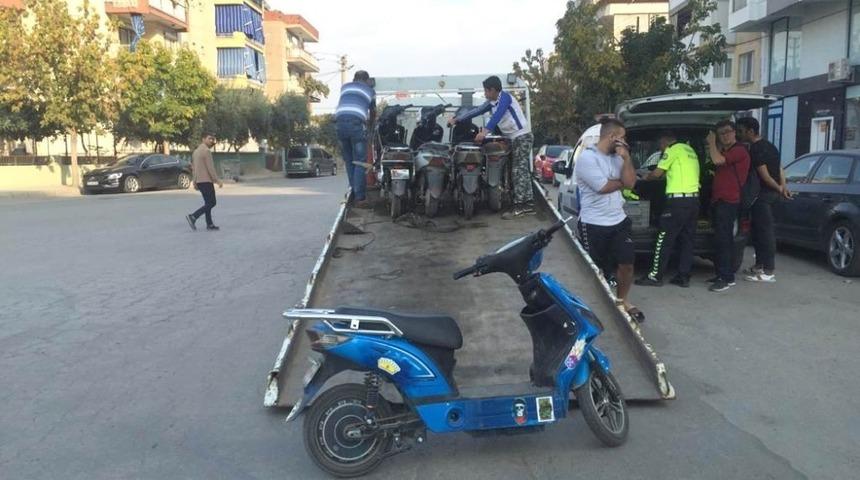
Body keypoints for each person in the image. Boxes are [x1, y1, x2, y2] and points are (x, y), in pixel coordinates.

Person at [574, 119, 643, 322]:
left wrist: (627, 158)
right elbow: (603, 187)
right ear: (613, 137)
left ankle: (622, 301)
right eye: (622, 138)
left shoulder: (619, 157)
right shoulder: (588, 158)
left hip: (619, 221)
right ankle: (594, 307)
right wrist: (623, 181)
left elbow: (631, 183)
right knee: (595, 270)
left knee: (627, 264)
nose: (625, 142)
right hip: (593, 223)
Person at [448, 75, 534, 218]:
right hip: (512, 138)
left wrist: (484, 132)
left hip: (521, 137)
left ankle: (521, 206)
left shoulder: (505, 98)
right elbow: (476, 111)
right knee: (518, 170)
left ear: (493, 90)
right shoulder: (492, 102)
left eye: (486, 91)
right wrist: (457, 119)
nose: (485, 94)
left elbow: (497, 116)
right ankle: (527, 204)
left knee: (518, 171)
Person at [635, 130, 701, 288]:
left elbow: (657, 174)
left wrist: (644, 177)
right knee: (687, 239)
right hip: (693, 201)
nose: (660, 148)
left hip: (677, 202)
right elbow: (675, 173)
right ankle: (683, 276)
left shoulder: (672, 150)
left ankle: (655, 276)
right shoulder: (689, 150)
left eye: (660, 145)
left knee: (663, 238)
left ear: (664, 141)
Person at [736, 117, 792, 283]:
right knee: (758, 232)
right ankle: (759, 266)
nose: (739, 134)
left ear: (751, 131)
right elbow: (780, 169)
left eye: (741, 131)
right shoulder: (770, 146)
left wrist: (779, 188)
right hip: (772, 195)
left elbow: (765, 175)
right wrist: (783, 186)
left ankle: (768, 271)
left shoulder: (756, 149)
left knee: (765, 233)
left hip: (763, 196)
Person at [706, 120, 751, 292]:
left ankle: (726, 277)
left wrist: (711, 142)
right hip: (720, 201)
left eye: (727, 132)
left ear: (734, 132)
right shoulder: (727, 151)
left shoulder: (739, 150)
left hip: (729, 201)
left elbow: (717, 160)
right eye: (721, 134)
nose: (724, 136)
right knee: (720, 239)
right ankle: (721, 274)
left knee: (724, 240)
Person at [335, 70, 376, 208]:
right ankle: (360, 198)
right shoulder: (370, 91)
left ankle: (353, 192)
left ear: (354, 79)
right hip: (355, 125)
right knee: (359, 162)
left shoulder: (345, 87)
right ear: (367, 80)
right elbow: (373, 112)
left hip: (339, 125)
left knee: (349, 161)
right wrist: (370, 129)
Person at [186, 133, 222, 231]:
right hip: (206, 181)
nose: (211, 141)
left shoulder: (196, 152)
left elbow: (194, 168)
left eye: (212, 139)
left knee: (207, 203)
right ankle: (193, 216)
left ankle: (209, 224)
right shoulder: (206, 151)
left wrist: (195, 181)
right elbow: (210, 168)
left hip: (200, 181)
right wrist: (217, 180)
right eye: (209, 138)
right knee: (212, 202)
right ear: (203, 139)